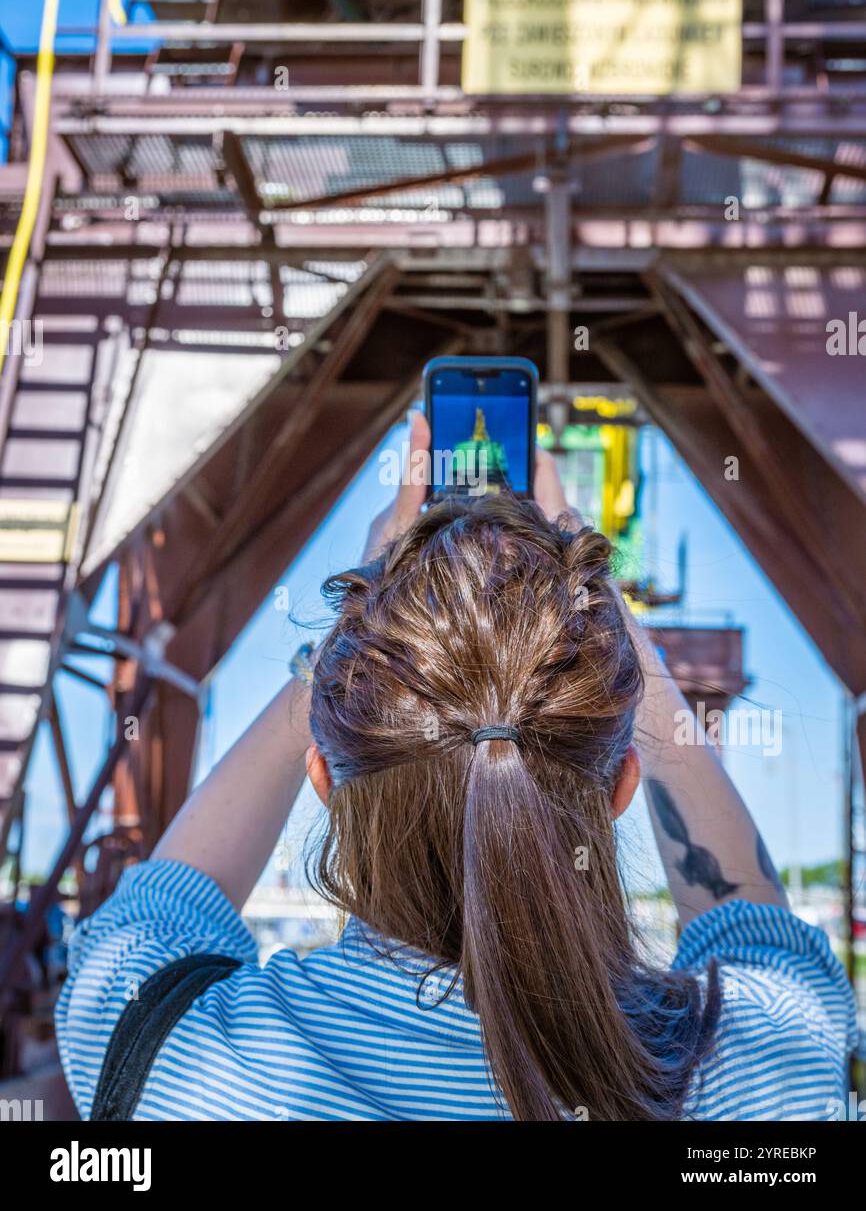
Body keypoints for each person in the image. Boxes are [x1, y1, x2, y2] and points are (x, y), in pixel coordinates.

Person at [56, 415, 856, 1121]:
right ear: (621, 788)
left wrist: (353, 618)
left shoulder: (167, 1050)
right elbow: (756, 928)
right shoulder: (756, 1073)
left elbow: (163, 901)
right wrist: (610, 622)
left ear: (324, 779)